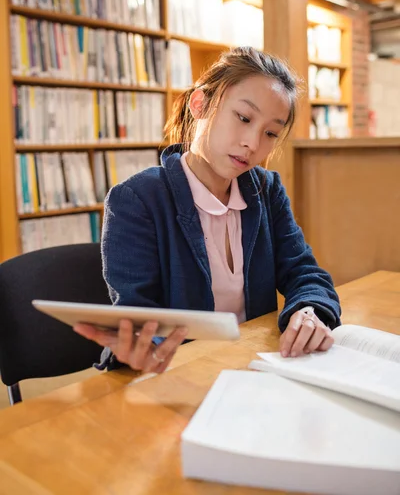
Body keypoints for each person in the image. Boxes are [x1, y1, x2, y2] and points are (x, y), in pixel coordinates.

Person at [74, 46, 341, 375]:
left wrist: (309, 309)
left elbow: (305, 273)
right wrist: (143, 350)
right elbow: (138, 315)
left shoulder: (266, 190)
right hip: (181, 377)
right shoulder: (137, 199)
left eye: (270, 133)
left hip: (257, 368)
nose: (252, 144)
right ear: (199, 103)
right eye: (243, 118)